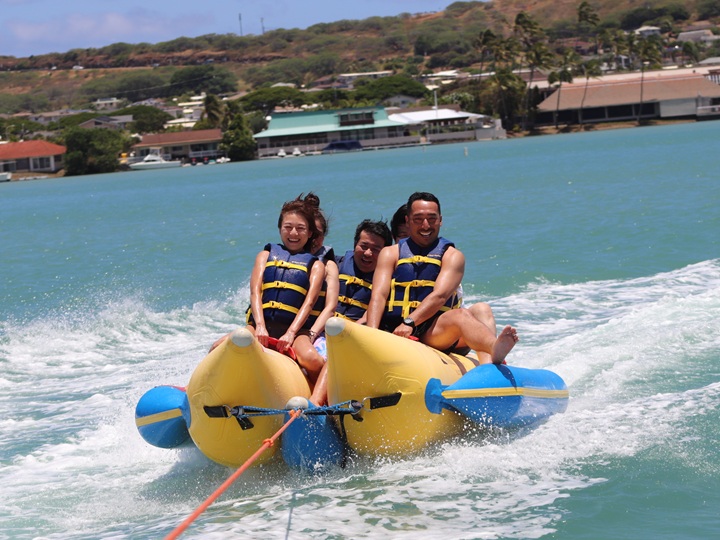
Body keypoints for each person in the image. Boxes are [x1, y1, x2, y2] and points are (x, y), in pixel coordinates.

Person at [367, 192, 518, 364]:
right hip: (393, 328)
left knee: (475, 311)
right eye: (418, 219)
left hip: (433, 331)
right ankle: (492, 355)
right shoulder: (390, 253)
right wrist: (371, 335)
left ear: (440, 220)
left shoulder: (452, 256)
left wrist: (409, 323)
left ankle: (492, 355)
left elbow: (440, 296)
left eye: (432, 219)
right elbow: (378, 296)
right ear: (408, 221)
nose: (425, 225)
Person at [210, 195, 325, 382]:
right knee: (217, 347)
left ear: (310, 232)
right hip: (258, 326)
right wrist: (260, 327)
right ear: (280, 229)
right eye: (288, 227)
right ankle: (202, 390)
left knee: (313, 360)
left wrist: (291, 333)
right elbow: (255, 292)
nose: (293, 233)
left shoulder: (317, 266)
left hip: (295, 332)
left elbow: (309, 303)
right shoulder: (265, 256)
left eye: (300, 228)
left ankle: (315, 393)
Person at [309, 218, 392, 405]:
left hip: (352, 338)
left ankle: (316, 402)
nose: (368, 253)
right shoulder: (334, 265)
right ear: (355, 244)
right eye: (364, 246)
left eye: (376, 249)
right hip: (321, 333)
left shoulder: (387, 280)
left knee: (338, 351)